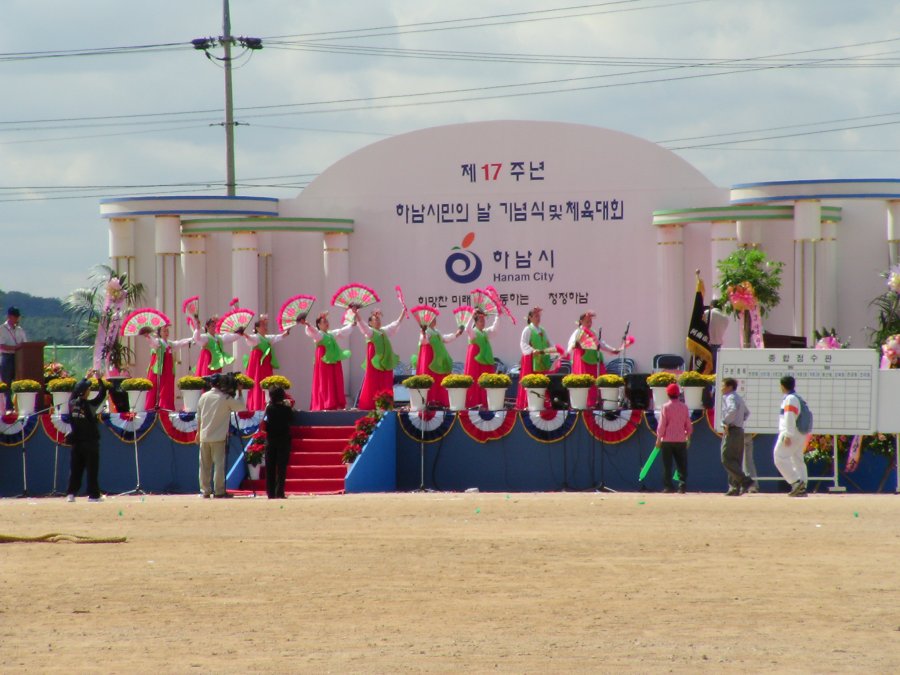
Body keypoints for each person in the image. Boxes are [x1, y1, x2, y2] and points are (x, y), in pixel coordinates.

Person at [196, 373, 246, 498]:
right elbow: (241, 407)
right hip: (218, 437)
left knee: (204, 466)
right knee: (219, 465)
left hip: (204, 435)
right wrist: (239, 392)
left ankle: (205, 491)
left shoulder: (203, 397)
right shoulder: (225, 398)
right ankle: (219, 491)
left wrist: (198, 432)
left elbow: (199, 417)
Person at [566, 310, 621, 408]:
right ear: (581, 321)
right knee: (587, 381)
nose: (589, 323)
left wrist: (612, 350)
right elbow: (571, 344)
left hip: (595, 359)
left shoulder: (593, 332)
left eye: (590, 321)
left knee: (598, 381)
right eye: (587, 321)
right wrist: (575, 346)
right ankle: (587, 403)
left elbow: (600, 344)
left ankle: (599, 402)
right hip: (584, 360)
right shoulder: (578, 331)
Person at [300, 311, 354, 411]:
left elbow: (341, 331)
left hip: (333, 360)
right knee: (325, 381)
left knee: (335, 380)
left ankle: (334, 403)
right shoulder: (319, 335)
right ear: (319, 325)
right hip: (324, 361)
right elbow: (313, 332)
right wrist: (308, 324)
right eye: (324, 322)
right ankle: (325, 403)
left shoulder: (330, 334)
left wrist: (351, 324)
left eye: (327, 321)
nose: (326, 323)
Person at [65, 378, 108, 502]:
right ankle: (93, 495)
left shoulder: (71, 404)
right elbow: (102, 394)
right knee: (92, 470)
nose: (89, 390)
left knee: (75, 470)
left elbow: (74, 392)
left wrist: (85, 378)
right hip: (90, 443)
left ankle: (71, 494)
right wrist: (100, 379)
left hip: (76, 443)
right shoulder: (90, 405)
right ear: (85, 392)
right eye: (88, 389)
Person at [356, 306, 404, 410]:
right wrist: (357, 314)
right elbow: (362, 325)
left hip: (385, 361)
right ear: (370, 323)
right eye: (375, 320)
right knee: (373, 381)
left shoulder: (384, 331)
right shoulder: (370, 332)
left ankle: (385, 404)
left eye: (379, 319)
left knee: (386, 381)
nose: (378, 321)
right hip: (375, 361)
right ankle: (371, 404)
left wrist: (403, 313)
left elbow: (394, 325)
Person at [242, 315, 291, 412]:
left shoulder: (267, 338)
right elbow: (250, 339)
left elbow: (279, 337)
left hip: (266, 365)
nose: (265, 327)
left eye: (265, 325)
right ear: (257, 328)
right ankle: (257, 405)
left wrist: (288, 330)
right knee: (257, 382)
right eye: (263, 325)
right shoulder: (256, 338)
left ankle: (267, 403)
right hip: (257, 365)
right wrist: (244, 334)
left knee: (267, 383)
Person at [415, 317, 463, 407]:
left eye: (435, 319)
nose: (434, 320)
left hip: (440, 360)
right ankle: (430, 401)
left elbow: (444, 338)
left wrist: (456, 334)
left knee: (440, 379)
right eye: (432, 319)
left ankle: (440, 401)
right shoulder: (426, 331)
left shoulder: (437, 331)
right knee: (432, 378)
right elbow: (423, 341)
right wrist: (424, 334)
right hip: (430, 359)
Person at [773, 375, 809, 497]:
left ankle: (795, 482)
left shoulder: (790, 399)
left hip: (791, 432)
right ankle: (802, 486)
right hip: (800, 433)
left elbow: (789, 416)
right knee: (797, 459)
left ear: (782, 386)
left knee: (779, 457)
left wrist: (787, 434)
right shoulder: (797, 398)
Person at [144, 324, 191, 412]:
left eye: (167, 331)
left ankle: (166, 407)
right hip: (159, 369)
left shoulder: (170, 343)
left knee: (167, 389)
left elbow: (179, 343)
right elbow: (152, 342)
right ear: (160, 333)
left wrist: (190, 340)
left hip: (168, 370)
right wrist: (148, 336)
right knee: (156, 388)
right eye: (164, 331)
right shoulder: (158, 342)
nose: (166, 332)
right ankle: (153, 407)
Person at [516, 307, 556, 409]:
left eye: (539, 316)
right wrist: (532, 350)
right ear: (530, 317)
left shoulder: (542, 330)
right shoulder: (528, 329)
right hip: (531, 359)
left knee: (542, 381)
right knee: (532, 381)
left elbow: (548, 342)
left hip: (542, 359)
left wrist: (555, 351)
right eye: (536, 316)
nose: (538, 318)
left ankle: (542, 403)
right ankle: (529, 403)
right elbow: (523, 343)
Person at [655, 383, 692, 493]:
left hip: (667, 440)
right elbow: (688, 425)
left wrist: (658, 438)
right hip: (681, 440)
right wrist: (688, 437)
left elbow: (662, 425)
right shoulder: (684, 407)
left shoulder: (665, 407)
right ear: (678, 394)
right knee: (682, 465)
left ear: (668, 394)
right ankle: (682, 486)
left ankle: (668, 486)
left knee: (667, 465)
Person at [720, 377, 754, 496]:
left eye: (723, 385)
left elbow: (733, 410)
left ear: (729, 387)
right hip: (739, 430)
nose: (721, 388)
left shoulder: (731, 397)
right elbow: (746, 413)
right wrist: (739, 420)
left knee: (726, 458)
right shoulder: (738, 397)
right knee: (735, 460)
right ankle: (734, 487)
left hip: (732, 431)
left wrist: (726, 422)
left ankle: (745, 481)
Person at [463, 309, 499, 408]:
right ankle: (474, 403)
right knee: (476, 380)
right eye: (480, 321)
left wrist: (497, 316)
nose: (483, 323)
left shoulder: (485, 333)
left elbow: (494, 330)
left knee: (486, 382)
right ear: (476, 322)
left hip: (485, 361)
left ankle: (486, 402)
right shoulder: (473, 332)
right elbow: (467, 329)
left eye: (484, 321)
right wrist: (472, 315)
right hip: (476, 362)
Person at [263, 386, 293, 499]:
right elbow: (291, 419)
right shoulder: (286, 409)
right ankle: (280, 491)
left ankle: (270, 492)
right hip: (283, 440)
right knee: (281, 468)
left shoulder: (269, 408)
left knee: (270, 467)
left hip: (271, 440)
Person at [1, 306, 27, 392]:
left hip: (19, 358)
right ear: (9, 316)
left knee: (20, 381)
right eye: (15, 316)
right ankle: (8, 402)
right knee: (7, 382)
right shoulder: (2, 329)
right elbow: (1, 345)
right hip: (7, 357)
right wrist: (15, 348)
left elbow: (25, 344)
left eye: (17, 316)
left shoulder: (20, 330)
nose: (17, 318)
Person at [704, 298, 730, 370]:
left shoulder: (707, 313)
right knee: (715, 368)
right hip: (718, 346)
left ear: (711, 305)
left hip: (706, 345)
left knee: (705, 369)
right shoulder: (725, 318)